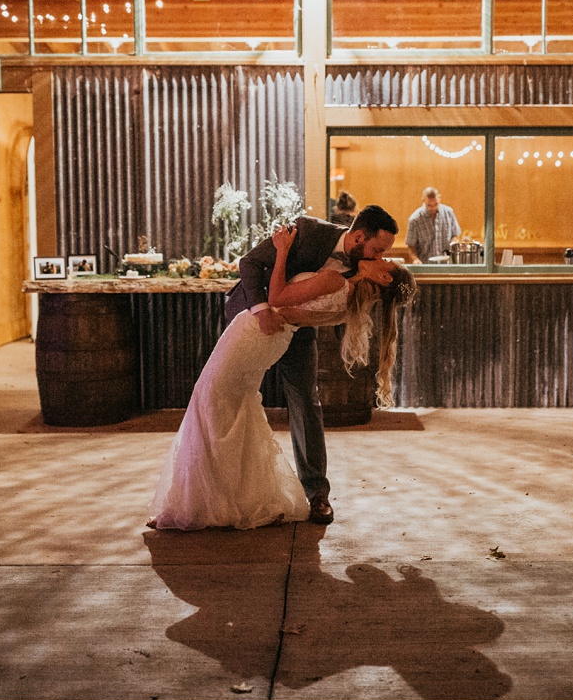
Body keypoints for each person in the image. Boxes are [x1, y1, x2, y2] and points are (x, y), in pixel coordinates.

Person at [147, 223, 416, 531]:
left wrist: (283, 256)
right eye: (379, 250)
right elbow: (250, 263)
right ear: (359, 237)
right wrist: (264, 308)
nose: (380, 255)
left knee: (263, 400)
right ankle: (232, 497)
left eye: (384, 257)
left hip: (275, 330)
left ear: (382, 277)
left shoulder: (348, 280)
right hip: (265, 322)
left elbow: (283, 298)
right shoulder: (321, 245)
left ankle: (309, 493)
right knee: (233, 403)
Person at [405, 187, 461, 264]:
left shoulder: (449, 212)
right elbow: (411, 246)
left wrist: (452, 248)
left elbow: (455, 235)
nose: (433, 208)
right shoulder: (415, 219)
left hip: (447, 264)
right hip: (426, 265)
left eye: (435, 204)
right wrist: (415, 259)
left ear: (439, 199)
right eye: (429, 205)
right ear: (423, 200)